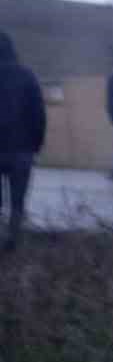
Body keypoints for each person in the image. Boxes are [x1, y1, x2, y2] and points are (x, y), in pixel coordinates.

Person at [0, 31, 47, 251]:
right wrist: (36, 145)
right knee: (18, 202)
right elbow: (38, 114)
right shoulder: (27, 76)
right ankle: (13, 242)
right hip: (22, 150)